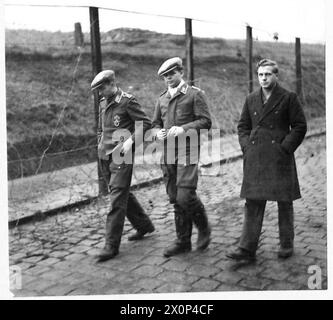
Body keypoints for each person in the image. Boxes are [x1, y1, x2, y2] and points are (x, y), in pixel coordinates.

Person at [227, 59, 307, 262]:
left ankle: (286, 244)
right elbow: (242, 126)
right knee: (253, 201)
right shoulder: (251, 98)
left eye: (268, 74)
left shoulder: (288, 98)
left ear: (276, 76)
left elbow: (299, 126)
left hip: (279, 157)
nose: (263, 78)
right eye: (260, 75)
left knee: (284, 201)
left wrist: (285, 148)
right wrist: (246, 147)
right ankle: (246, 249)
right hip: (256, 157)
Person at [91, 70, 155, 262]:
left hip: (121, 156)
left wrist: (129, 143)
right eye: (98, 90)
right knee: (121, 192)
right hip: (104, 155)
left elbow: (145, 123)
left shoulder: (127, 101)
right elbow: (102, 128)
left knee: (117, 199)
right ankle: (144, 225)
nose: (100, 93)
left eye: (102, 88)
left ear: (112, 83)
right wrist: (100, 143)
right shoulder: (103, 102)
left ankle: (111, 245)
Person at [152, 57, 212, 257]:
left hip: (188, 150)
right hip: (168, 152)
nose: (168, 78)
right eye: (165, 76)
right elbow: (155, 123)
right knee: (175, 198)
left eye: (172, 74)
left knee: (185, 195)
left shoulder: (194, 95)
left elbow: (205, 121)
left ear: (181, 73)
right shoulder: (161, 99)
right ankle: (182, 241)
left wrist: (183, 129)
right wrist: (158, 132)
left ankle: (203, 227)